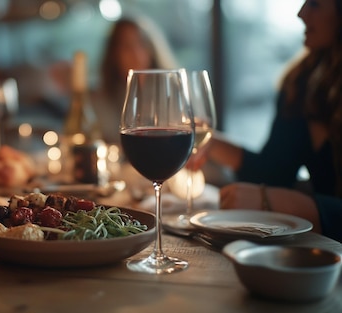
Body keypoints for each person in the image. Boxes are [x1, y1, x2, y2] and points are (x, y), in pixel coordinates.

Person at [200, 0, 342, 241]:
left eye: (315, 4)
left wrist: (277, 201)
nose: (301, 13)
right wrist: (208, 142)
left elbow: (272, 191)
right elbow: (275, 172)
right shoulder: (302, 83)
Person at [95, 16, 179, 144]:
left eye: (140, 43)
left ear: (151, 47)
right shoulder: (102, 96)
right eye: (126, 46)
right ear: (113, 53)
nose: (135, 52)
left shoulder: (173, 90)